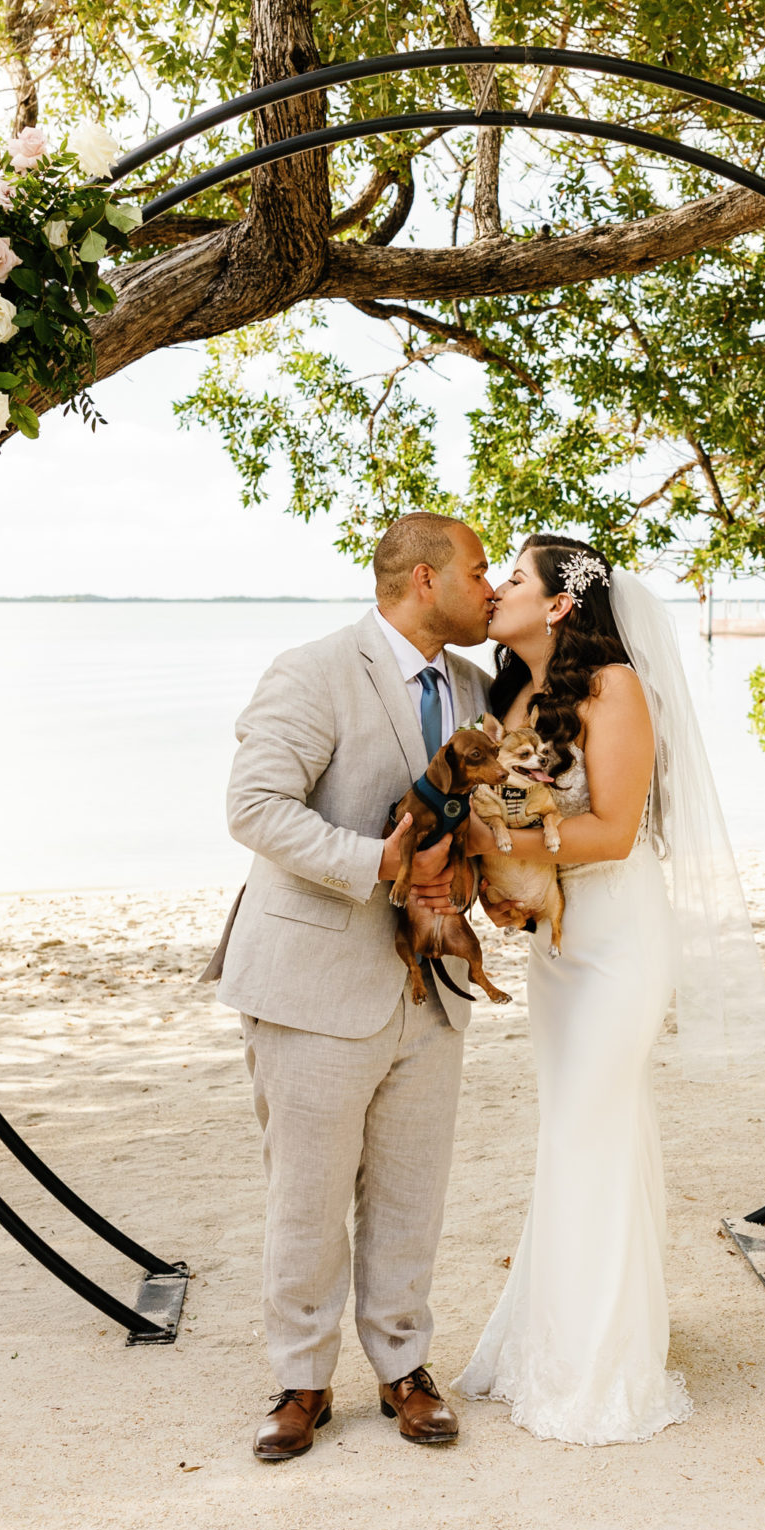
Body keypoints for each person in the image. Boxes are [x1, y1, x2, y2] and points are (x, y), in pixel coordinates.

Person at [444, 536, 765, 1444]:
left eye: (513, 577)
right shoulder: (516, 693)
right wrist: (504, 861)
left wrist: (499, 844)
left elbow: (615, 832)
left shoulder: (613, 689)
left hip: (619, 940)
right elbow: (514, 802)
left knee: (591, 1128)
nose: (497, 590)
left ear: (559, 605)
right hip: (557, 946)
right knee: (578, 1131)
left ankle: (599, 1369)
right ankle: (561, 1339)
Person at [202, 511, 497, 1463]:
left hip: (434, 984)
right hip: (313, 981)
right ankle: (300, 1380)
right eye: (480, 568)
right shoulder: (313, 670)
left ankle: (405, 1370)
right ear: (423, 580)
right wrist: (376, 864)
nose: (489, 587)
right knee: (308, 1195)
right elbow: (254, 808)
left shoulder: (477, 688)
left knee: (414, 1193)